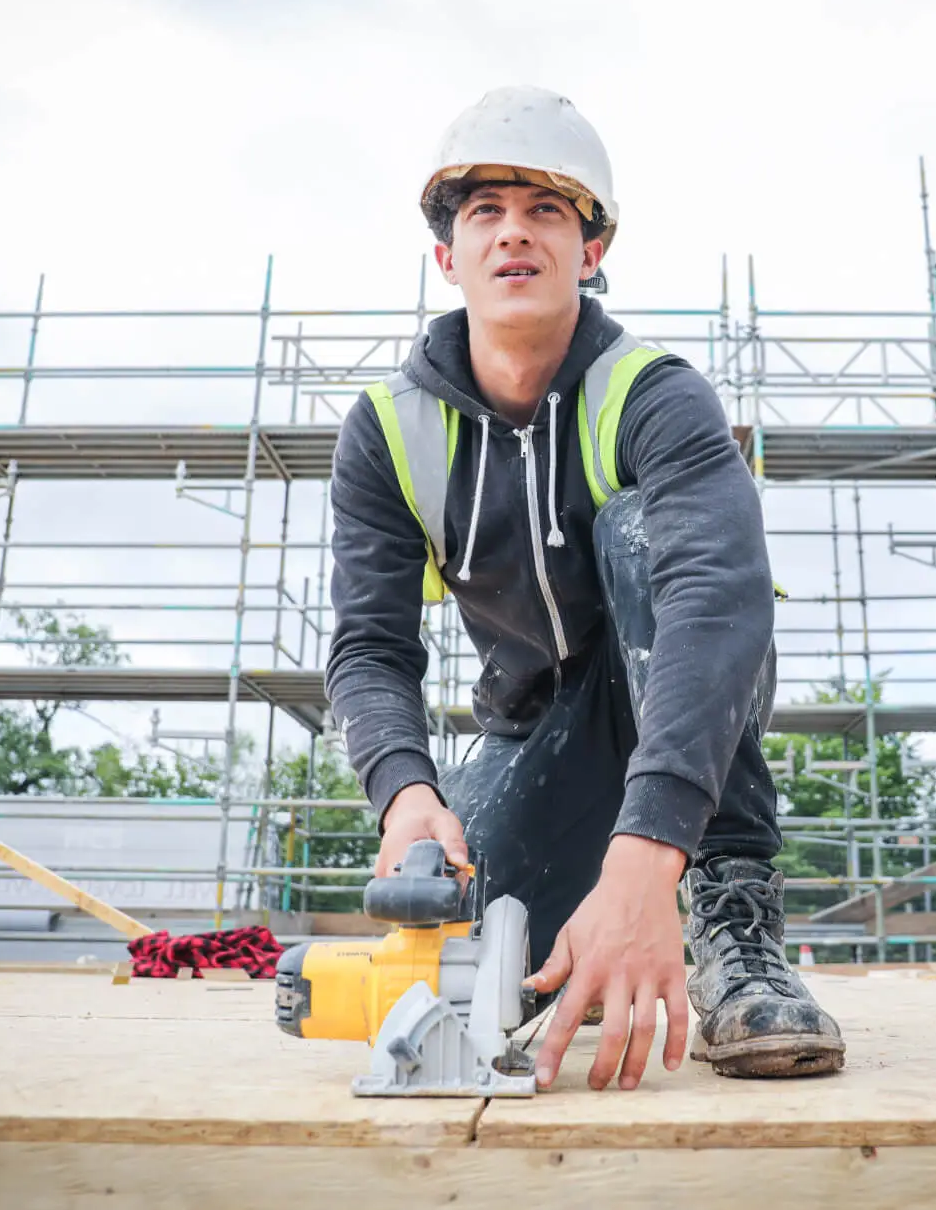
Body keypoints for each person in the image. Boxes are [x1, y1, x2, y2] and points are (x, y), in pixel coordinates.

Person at [326, 86, 844, 1091]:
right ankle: (601, 918)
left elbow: (715, 599)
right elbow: (368, 644)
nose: (513, 233)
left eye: (545, 210)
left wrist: (651, 854)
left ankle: (730, 911)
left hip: (680, 706)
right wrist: (404, 790)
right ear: (446, 257)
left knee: (657, 542)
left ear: (591, 248)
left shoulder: (655, 396)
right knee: (485, 978)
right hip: (539, 728)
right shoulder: (386, 432)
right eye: (484, 212)